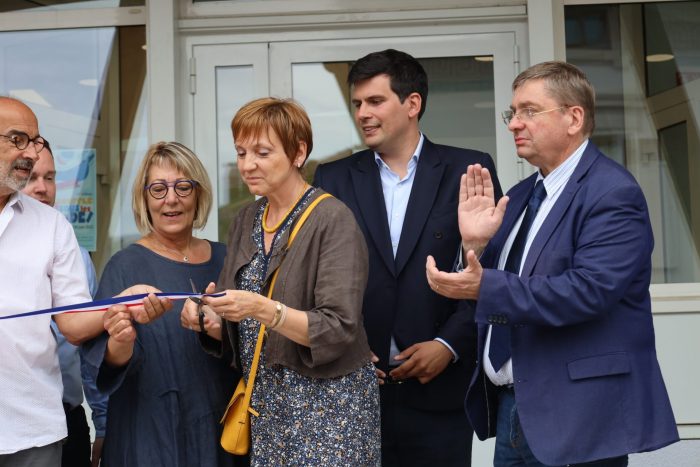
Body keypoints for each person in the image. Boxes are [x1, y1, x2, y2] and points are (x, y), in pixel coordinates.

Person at [426, 61, 679, 466]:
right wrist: (473, 245)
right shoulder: (523, 193)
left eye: (529, 111)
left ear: (573, 118)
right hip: (515, 406)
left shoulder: (612, 192)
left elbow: (588, 291)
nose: (514, 124)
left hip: (579, 412)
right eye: (513, 113)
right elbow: (499, 292)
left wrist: (483, 284)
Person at [312, 49, 501, 466]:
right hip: (354, 392)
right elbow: (317, 280)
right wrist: (351, 349)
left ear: (412, 104)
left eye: (375, 101)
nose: (363, 113)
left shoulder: (468, 170)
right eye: (358, 103)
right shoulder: (332, 178)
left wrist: (449, 343)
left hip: (441, 392)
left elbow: (491, 272)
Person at [181, 97, 381, 466]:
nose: (248, 164)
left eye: (262, 152)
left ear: (298, 152)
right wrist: (207, 319)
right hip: (268, 409)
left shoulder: (332, 219)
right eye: (241, 153)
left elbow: (338, 328)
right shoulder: (246, 219)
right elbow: (238, 326)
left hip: (330, 411)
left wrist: (262, 309)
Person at [0, 96, 167, 467]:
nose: (30, 152)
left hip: (31, 430)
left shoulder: (52, 226)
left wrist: (124, 300)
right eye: (18, 140)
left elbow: (74, 324)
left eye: (36, 141)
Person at [81, 142, 239, 467]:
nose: (171, 199)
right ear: (144, 198)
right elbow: (99, 365)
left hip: (219, 432)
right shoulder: (124, 266)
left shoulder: (227, 259)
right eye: (158, 189)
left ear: (198, 193)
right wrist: (120, 341)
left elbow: (255, 347)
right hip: (149, 438)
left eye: (183, 186)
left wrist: (219, 330)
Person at [22, 139, 101, 467]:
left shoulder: (77, 256)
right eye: (30, 177)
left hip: (66, 421)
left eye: (50, 178)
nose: (43, 188)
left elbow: (91, 354)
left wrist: (105, 425)